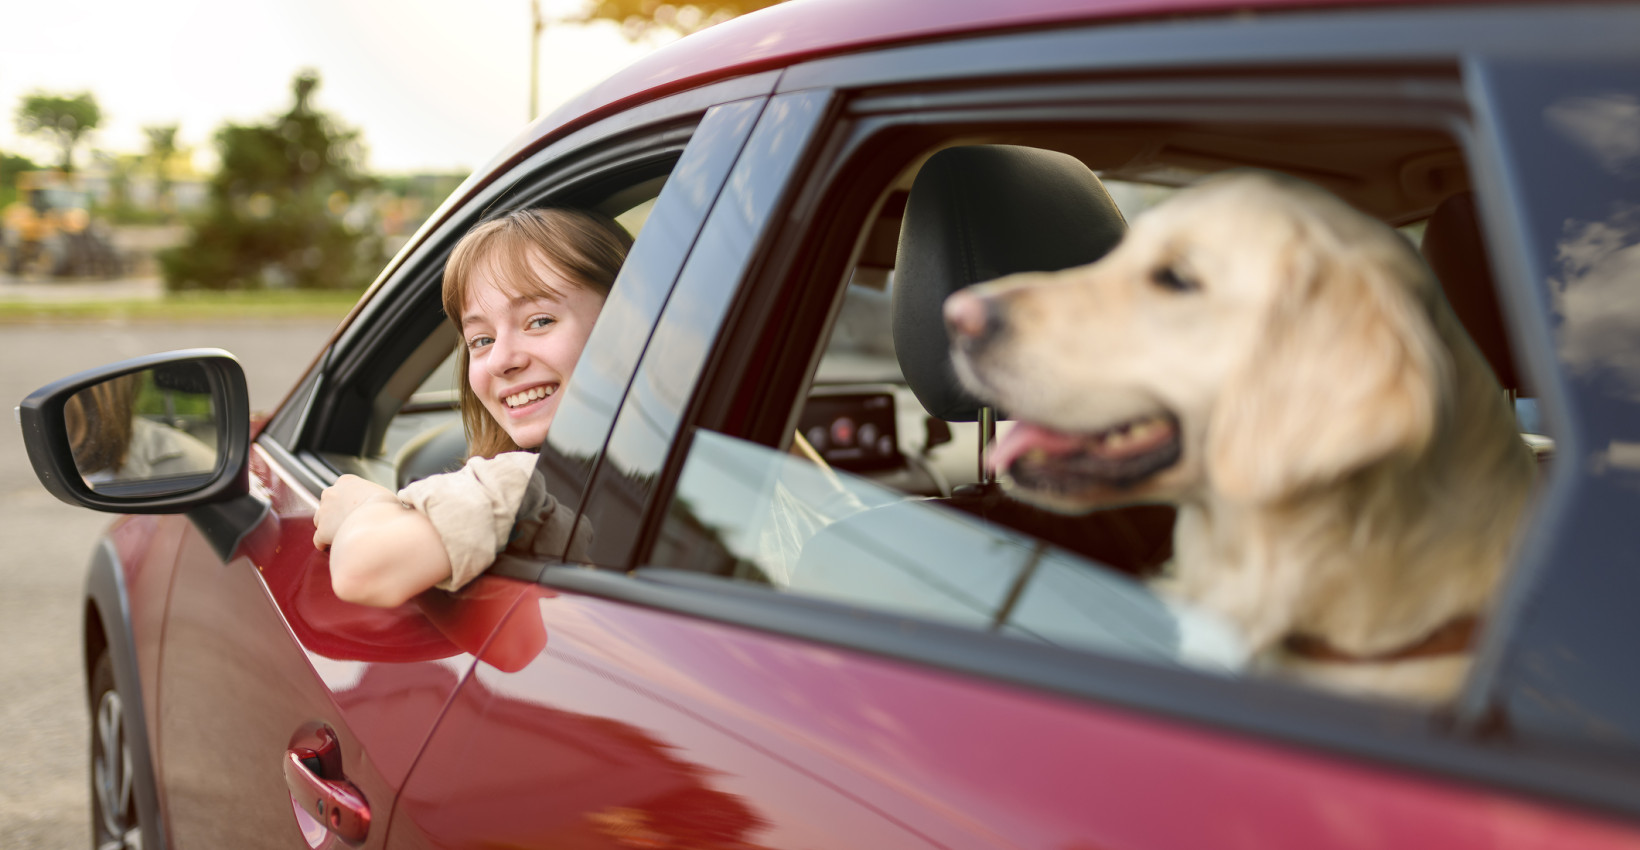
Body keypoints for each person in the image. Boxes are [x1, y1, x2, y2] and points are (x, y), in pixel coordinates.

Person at [314, 207, 631, 607]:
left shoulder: (522, 482)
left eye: (539, 321)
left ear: (628, 328)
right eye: (481, 340)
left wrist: (366, 505)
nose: (501, 360)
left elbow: (363, 572)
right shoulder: (682, 458)